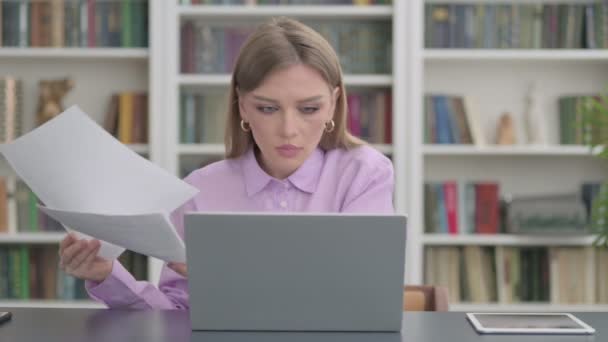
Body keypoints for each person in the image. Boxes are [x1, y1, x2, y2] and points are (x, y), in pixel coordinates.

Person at [58, 17, 395, 310]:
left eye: (309, 109)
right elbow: (175, 315)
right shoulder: (199, 191)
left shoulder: (364, 174)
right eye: (267, 108)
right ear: (242, 106)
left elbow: (356, 295)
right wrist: (108, 276)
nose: (289, 130)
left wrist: (224, 273)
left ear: (334, 104)